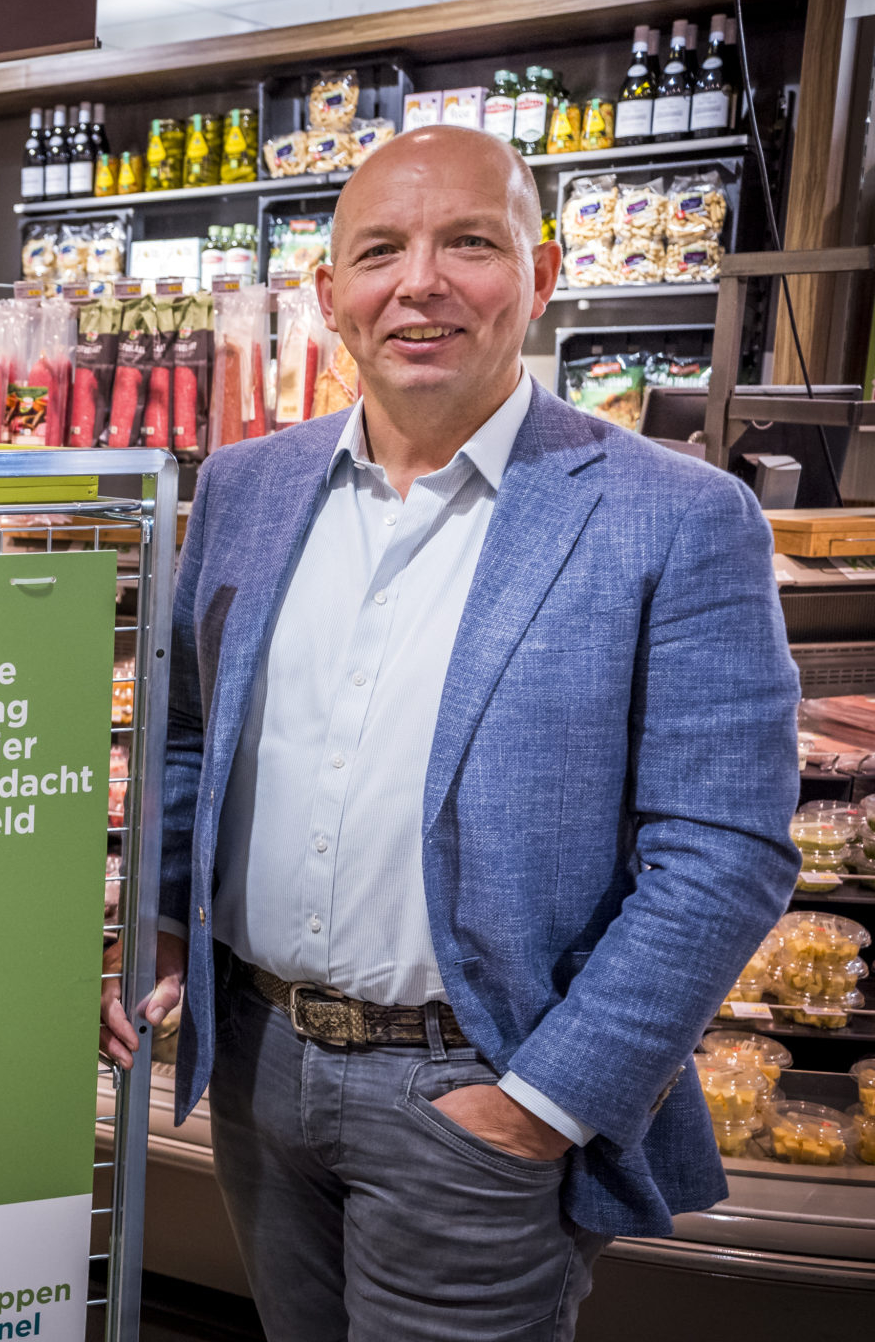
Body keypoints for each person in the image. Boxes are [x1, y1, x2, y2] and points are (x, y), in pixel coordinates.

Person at [102, 125, 798, 1339]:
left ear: (538, 276)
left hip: (474, 1094)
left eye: (466, 243)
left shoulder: (677, 519)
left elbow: (725, 852)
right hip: (258, 1065)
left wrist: (542, 1102)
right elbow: (183, 738)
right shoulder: (243, 489)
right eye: (379, 251)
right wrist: (160, 923)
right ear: (330, 297)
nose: (417, 283)